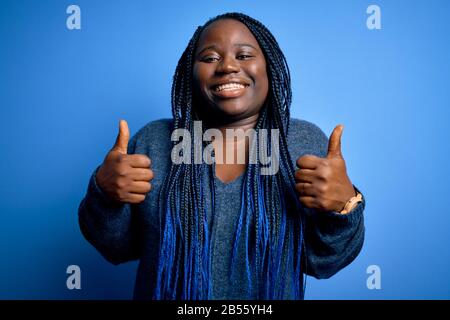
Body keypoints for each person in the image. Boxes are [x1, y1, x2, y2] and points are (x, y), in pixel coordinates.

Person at [78, 12, 365, 300]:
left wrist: (344, 206)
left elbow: (324, 263)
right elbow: (118, 249)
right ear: (190, 73)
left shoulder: (302, 143)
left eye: (244, 55)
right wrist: (104, 194)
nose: (227, 65)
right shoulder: (153, 142)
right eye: (210, 58)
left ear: (269, 67)